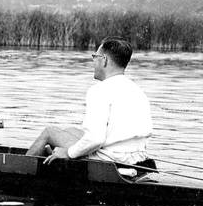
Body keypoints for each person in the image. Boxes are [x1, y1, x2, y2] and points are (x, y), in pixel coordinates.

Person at [26, 37, 152, 165]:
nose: (93, 61)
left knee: (49, 132)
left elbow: (95, 139)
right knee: (71, 131)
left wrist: (68, 153)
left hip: (111, 159)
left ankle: (20, 170)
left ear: (104, 60)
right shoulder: (137, 90)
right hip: (137, 157)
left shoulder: (99, 90)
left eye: (95, 56)